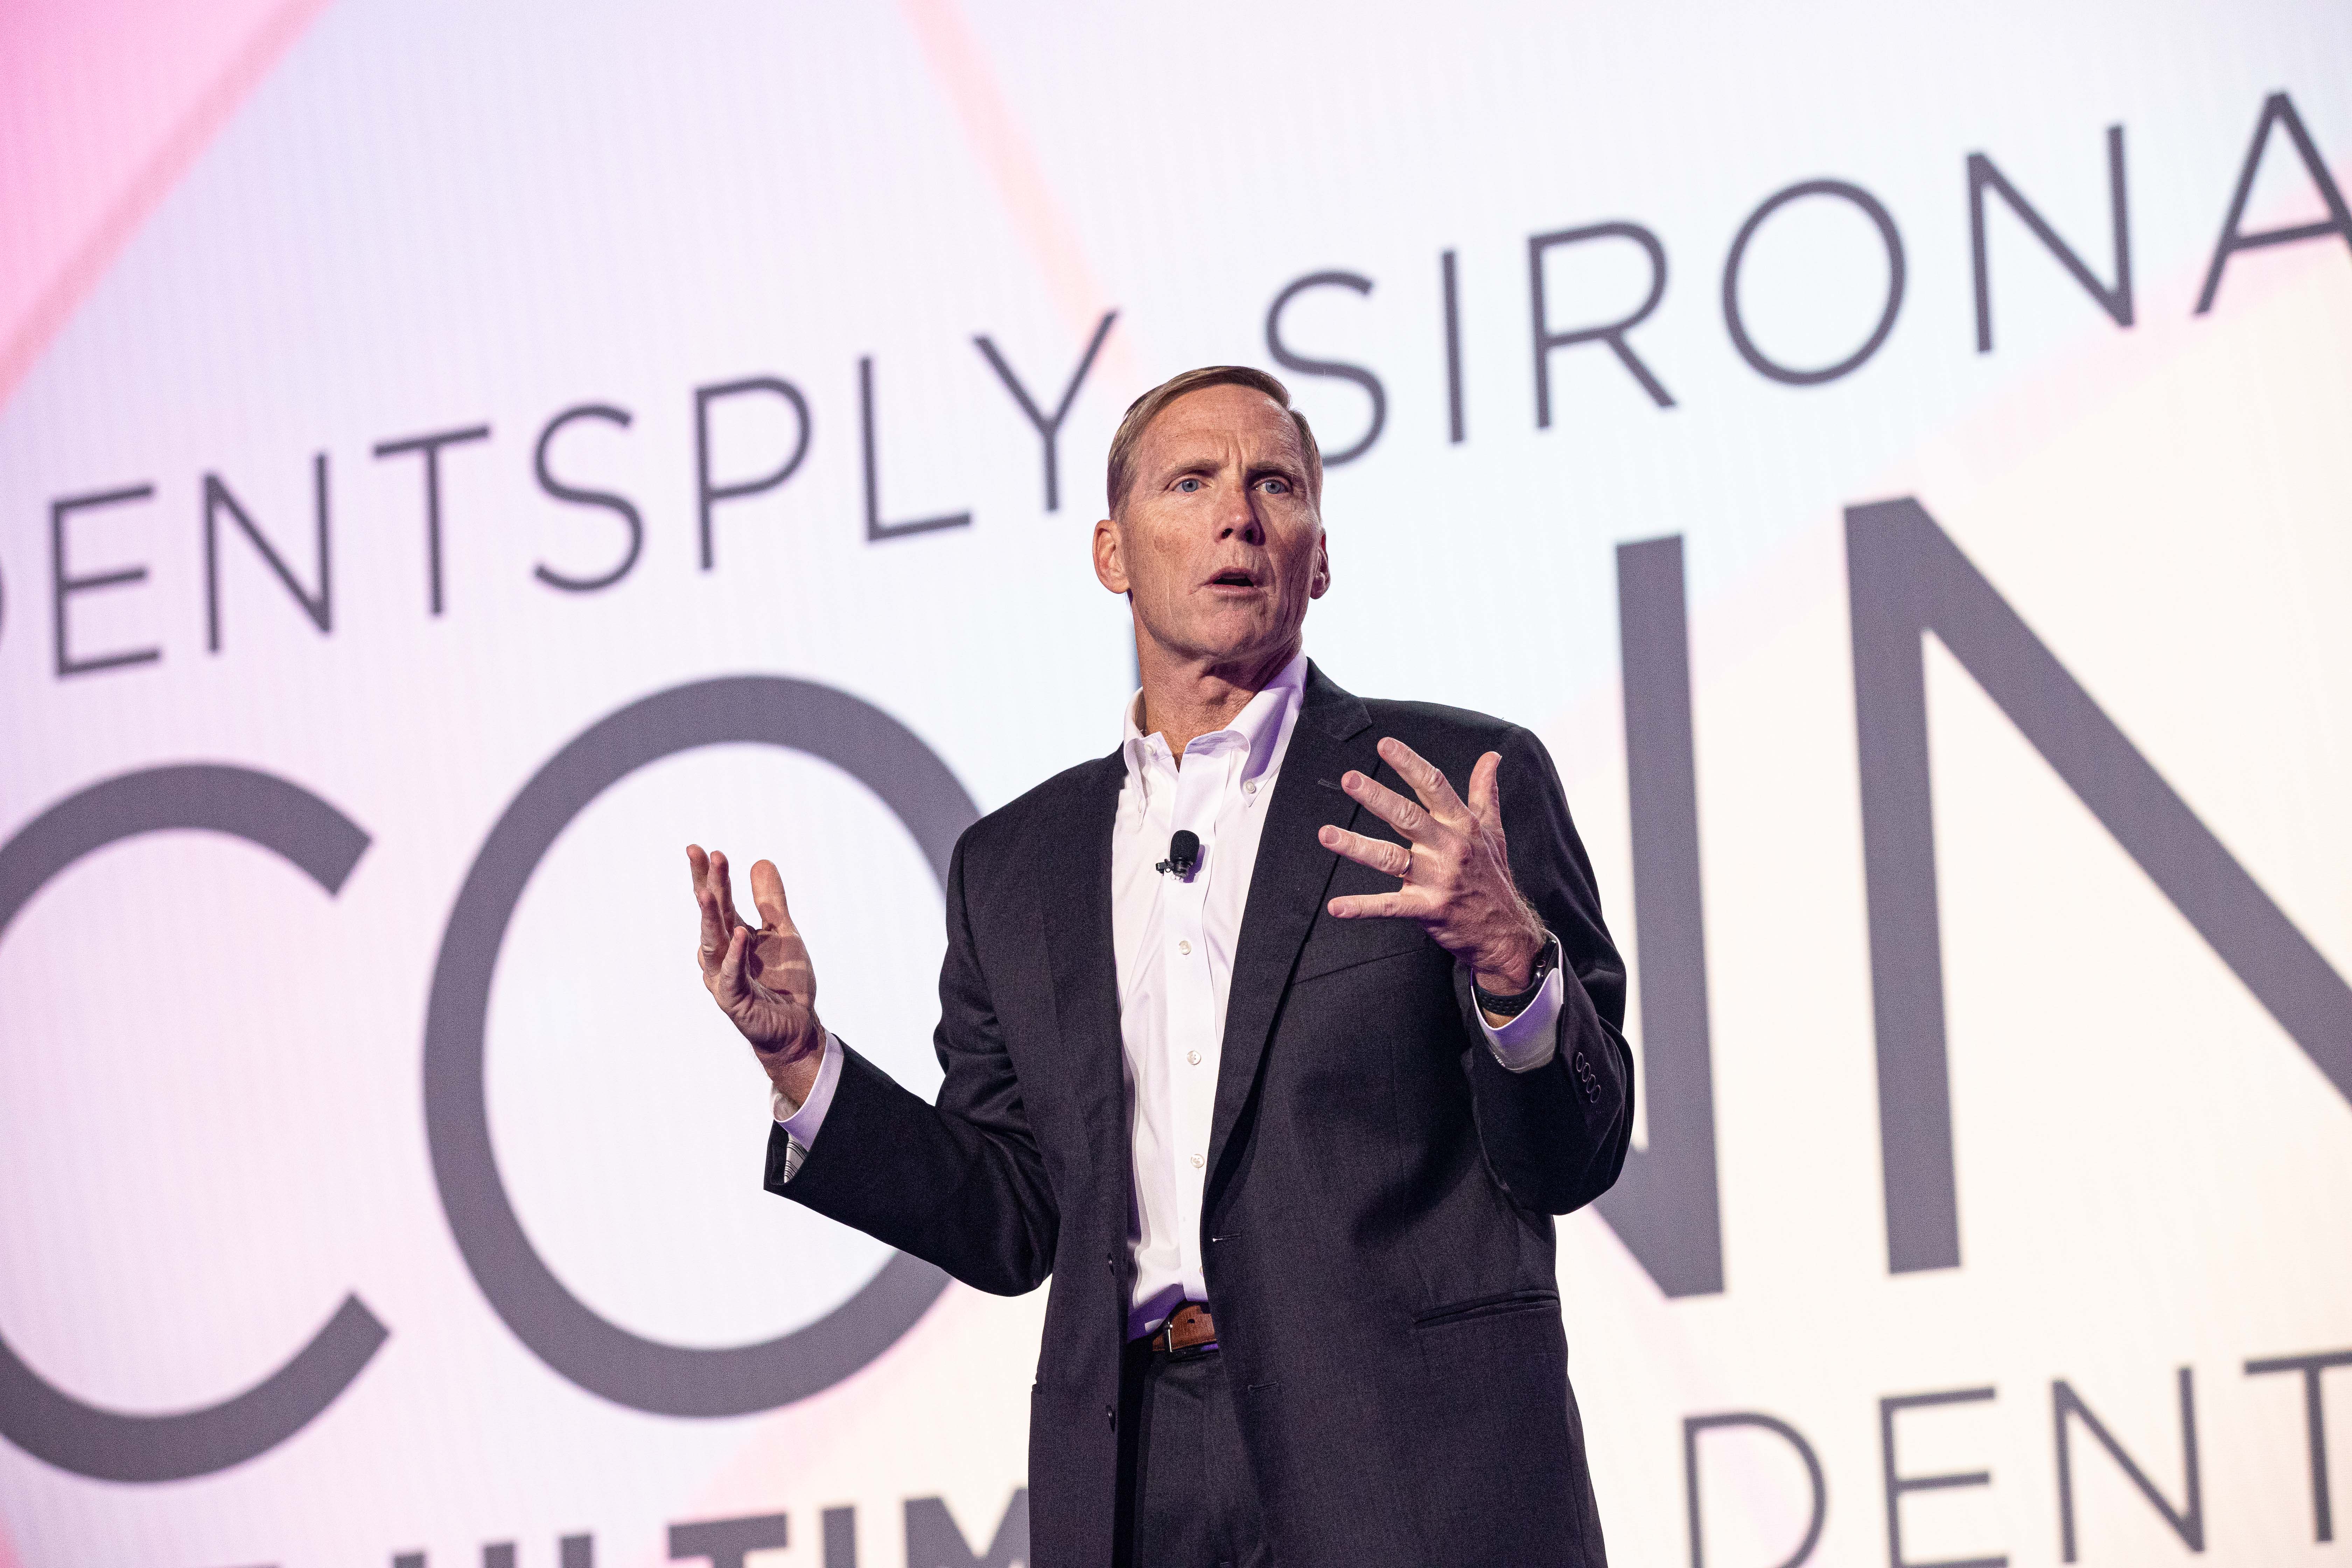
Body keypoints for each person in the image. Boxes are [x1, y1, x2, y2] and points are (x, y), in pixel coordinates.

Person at [685, 365, 1632, 1568]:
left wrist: (1512, 958)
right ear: (1112, 554)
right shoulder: (1014, 866)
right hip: (1138, 1481)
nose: (1238, 515)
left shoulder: (1450, 788)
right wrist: (805, 1066)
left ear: (1320, 559)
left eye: (1275, 485)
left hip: (1414, 1466)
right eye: (1191, 483)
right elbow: (1012, 1219)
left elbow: (1572, 1154)